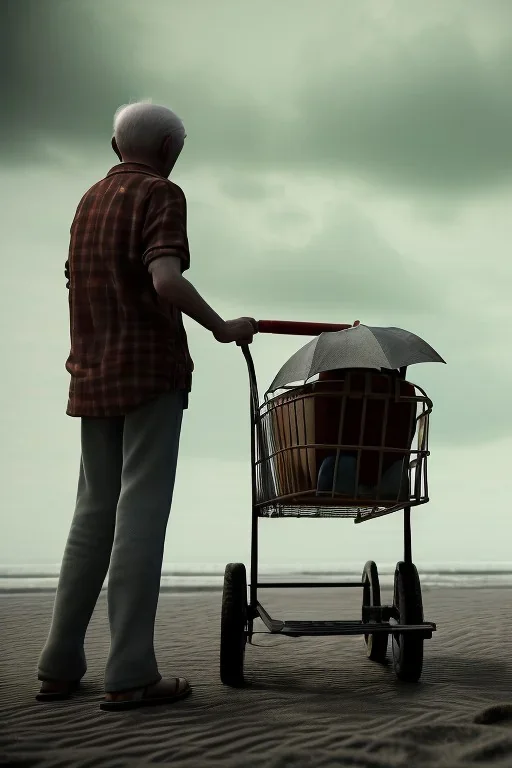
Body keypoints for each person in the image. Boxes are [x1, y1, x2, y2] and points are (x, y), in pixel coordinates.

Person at [35, 101, 258, 711]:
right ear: (166, 148)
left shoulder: (87, 202)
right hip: (148, 371)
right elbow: (164, 280)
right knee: (140, 517)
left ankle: (59, 664)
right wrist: (221, 326)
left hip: (92, 372)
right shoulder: (163, 193)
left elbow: (74, 281)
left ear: (114, 146)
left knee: (91, 516)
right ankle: (130, 670)